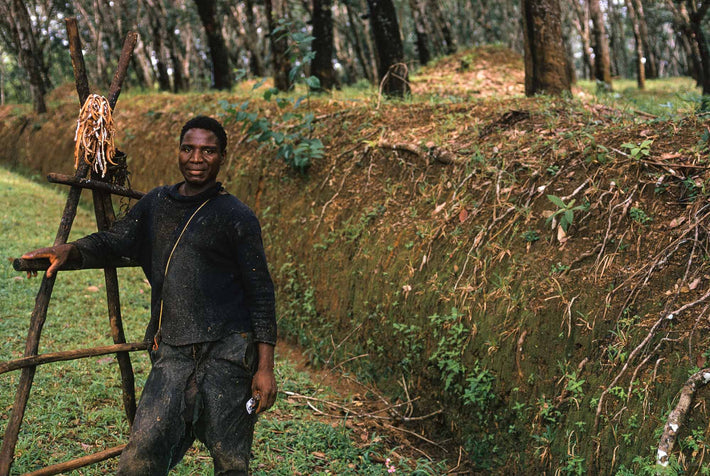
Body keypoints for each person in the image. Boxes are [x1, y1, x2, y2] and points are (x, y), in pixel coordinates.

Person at [22, 116, 277, 475]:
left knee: (231, 459)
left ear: (223, 157)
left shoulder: (237, 217)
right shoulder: (158, 203)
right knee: (142, 451)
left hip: (228, 354)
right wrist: (69, 250)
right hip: (172, 351)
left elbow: (261, 294)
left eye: (208, 150)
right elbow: (115, 240)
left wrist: (264, 368)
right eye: (188, 148)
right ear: (178, 151)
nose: (196, 158)